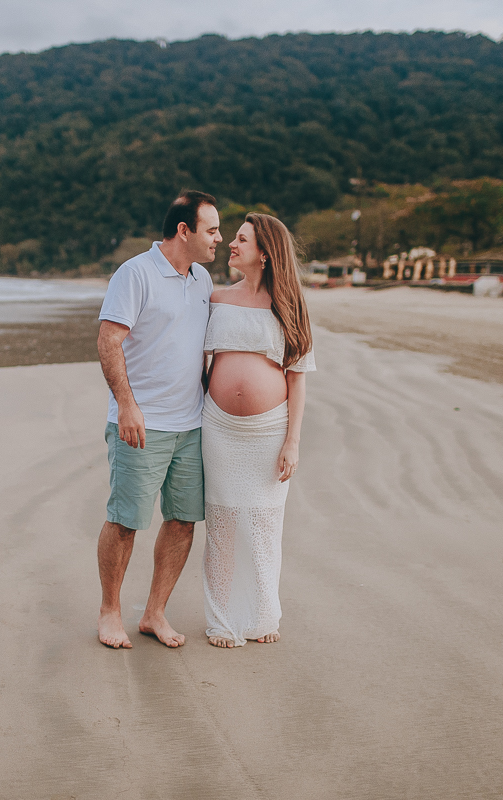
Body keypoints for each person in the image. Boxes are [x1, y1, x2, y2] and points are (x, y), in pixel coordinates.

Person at [96, 191, 221, 649]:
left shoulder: (203, 278)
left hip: (192, 425)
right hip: (142, 425)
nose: (219, 239)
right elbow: (109, 339)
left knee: (184, 521)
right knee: (125, 521)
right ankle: (110, 612)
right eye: (212, 230)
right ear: (184, 230)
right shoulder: (135, 273)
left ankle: (154, 613)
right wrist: (126, 406)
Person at [201, 213, 314, 648]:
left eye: (241, 239)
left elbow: (297, 378)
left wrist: (292, 442)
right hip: (219, 426)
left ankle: (263, 615)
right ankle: (222, 620)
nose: (231, 244)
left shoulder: (289, 306)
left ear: (265, 253)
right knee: (223, 522)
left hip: (269, 430)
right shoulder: (216, 298)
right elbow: (199, 360)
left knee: (264, 523)